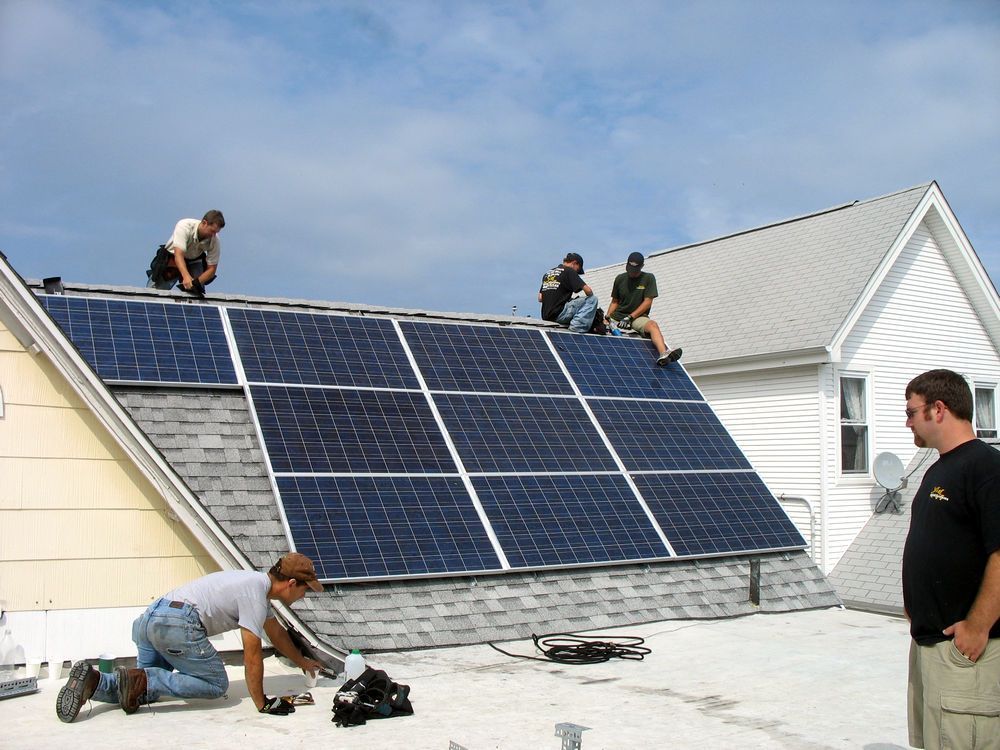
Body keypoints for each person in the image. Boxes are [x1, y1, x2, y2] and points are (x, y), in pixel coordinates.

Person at [56, 553, 325, 722]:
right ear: (291, 583)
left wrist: (303, 663)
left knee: (139, 688)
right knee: (216, 684)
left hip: (152, 619)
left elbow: (276, 634)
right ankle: (138, 678)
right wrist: (262, 703)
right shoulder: (255, 594)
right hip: (176, 623)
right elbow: (252, 654)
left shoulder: (254, 587)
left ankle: (95, 681)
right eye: (305, 590)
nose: (303, 597)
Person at [901, 369, 1000, 749]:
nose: (908, 421)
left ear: (938, 409)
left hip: (965, 655)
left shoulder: (986, 469)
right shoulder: (938, 470)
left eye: (912, 412)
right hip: (930, 647)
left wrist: (977, 626)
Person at [604, 251, 681, 366]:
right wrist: (607, 317)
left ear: (641, 267)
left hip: (636, 318)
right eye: (629, 269)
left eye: (634, 271)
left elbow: (648, 301)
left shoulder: (648, 278)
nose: (632, 273)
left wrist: (630, 317)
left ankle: (663, 354)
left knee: (653, 325)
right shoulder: (620, 279)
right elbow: (615, 301)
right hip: (618, 318)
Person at [147, 210, 225, 292]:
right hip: (173, 256)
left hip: (194, 259)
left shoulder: (215, 240)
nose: (213, 235)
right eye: (212, 231)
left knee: (196, 292)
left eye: (216, 232)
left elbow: (212, 269)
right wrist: (186, 276)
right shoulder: (184, 226)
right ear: (204, 223)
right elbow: (179, 255)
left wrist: (196, 283)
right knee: (156, 291)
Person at [538, 252, 598, 333]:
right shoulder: (569, 271)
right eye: (578, 269)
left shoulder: (548, 273)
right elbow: (588, 291)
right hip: (559, 314)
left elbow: (540, 298)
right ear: (574, 263)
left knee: (571, 301)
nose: (577, 272)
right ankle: (577, 328)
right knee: (592, 300)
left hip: (546, 316)